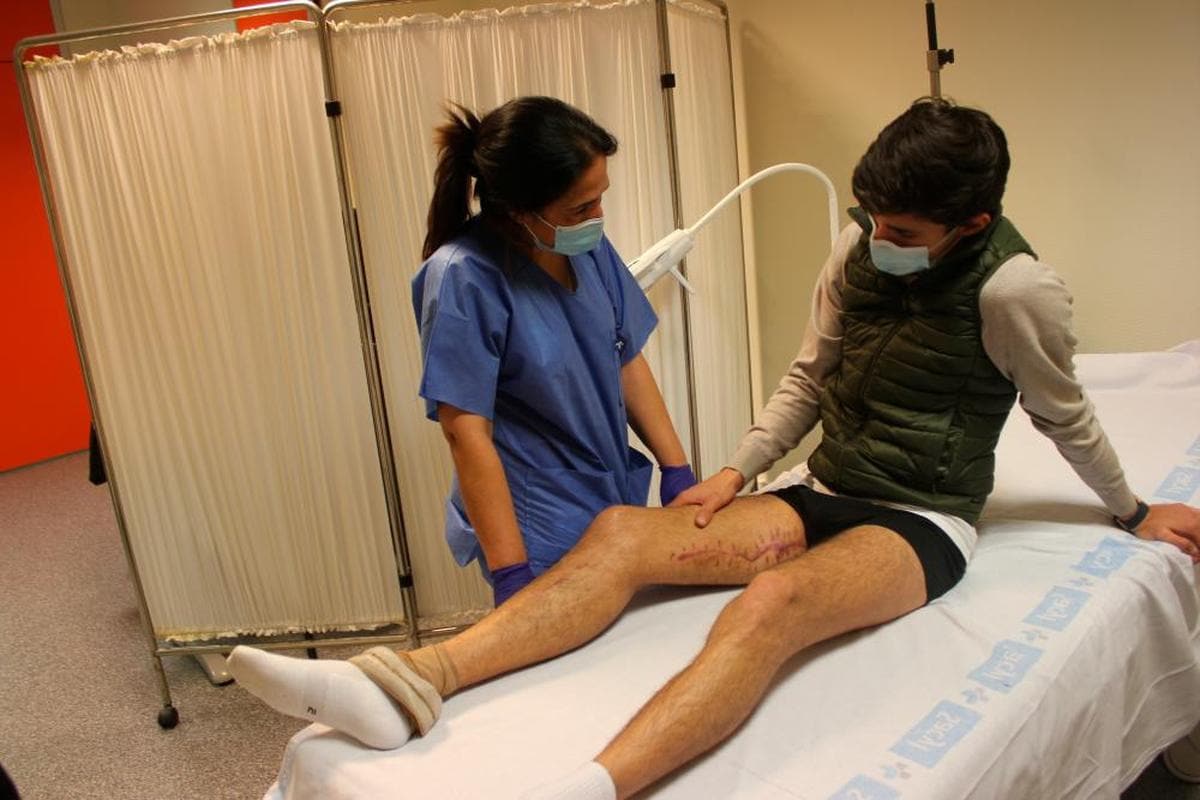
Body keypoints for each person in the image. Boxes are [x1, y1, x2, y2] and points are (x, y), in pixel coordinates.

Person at [228, 98, 1200, 798]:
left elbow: (1062, 409)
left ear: (970, 226)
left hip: (922, 519)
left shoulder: (1015, 292)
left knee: (771, 603)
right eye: (869, 219)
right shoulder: (858, 252)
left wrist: (1130, 509)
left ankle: (592, 785)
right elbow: (809, 378)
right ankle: (404, 684)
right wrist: (734, 468)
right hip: (817, 488)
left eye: (899, 230)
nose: (874, 240)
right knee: (622, 529)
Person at [412, 96, 694, 606]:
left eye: (600, 198)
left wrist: (677, 470)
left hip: (606, 493)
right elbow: (465, 431)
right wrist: (511, 570)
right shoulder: (464, 278)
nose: (598, 216)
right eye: (582, 207)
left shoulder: (585, 247)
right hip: (536, 516)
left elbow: (624, 356)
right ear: (520, 208)